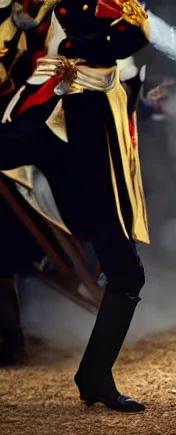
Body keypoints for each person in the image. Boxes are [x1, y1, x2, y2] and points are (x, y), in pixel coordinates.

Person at [0, 0, 152, 413]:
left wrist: (128, 26)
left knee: (127, 273)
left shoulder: (116, 14)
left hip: (94, 136)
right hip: (50, 116)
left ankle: (95, 376)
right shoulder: (55, 10)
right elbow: (95, 40)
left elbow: (121, 47)